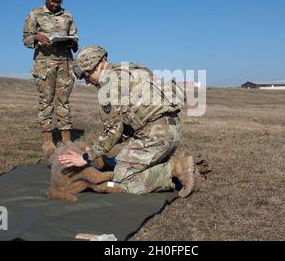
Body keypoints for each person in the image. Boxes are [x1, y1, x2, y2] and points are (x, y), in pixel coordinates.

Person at [58, 45, 195, 197]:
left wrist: (85, 158)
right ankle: (187, 167)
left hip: (155, 135)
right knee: (119, 164)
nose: (87, 82)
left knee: (120, 181)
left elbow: (113, 131)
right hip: (171, 130)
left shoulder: (109, 85)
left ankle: (175, 168)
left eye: (85, 76)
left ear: (93, 67)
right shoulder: (129, 70)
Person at [23, 0, 78, 157]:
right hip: (44, 65)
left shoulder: (67, 15)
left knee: (64, 101)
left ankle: (66, 138)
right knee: (46, 100)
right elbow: (26, 39)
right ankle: (47, 140)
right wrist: (36, 37)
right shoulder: (34, 14)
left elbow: (75, 39)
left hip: (65, 64)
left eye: (59, 2)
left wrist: (71, 42)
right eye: (53, 1)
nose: (55, 4)